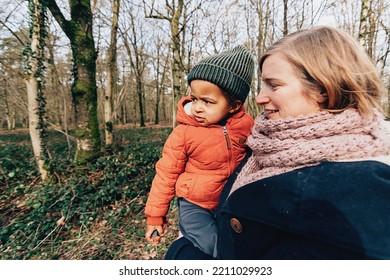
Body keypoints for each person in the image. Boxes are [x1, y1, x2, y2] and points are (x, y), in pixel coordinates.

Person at [165, 26, 390, 260]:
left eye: (274, 85)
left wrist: (180, 251)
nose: (260, 98)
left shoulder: (360, 187)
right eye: (262, 84)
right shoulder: (266, 140)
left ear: (323, 89)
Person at [144, 45, 255, 258]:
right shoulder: (184, 133)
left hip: (229, 201)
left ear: (234, 105)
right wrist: (156, 217)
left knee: (245, 240)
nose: (197, 107)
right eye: (194, 98)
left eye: (207, 101)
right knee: (217, 246)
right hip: (194, 204)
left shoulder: (246, 124)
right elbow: (166, 175)